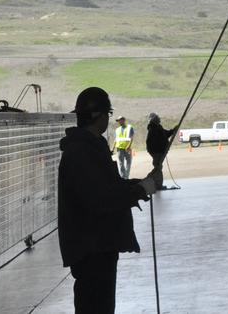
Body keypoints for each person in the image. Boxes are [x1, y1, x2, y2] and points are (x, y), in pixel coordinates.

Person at [59, 87, 162, 314]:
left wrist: (142, 185)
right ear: (98, 116)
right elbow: (101, 199)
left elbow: (108, 186)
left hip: (98, 246)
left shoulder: (89, 148)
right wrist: (140, 189)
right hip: (92, 248)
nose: (108, 118)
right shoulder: (81, 153)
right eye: (107, 113)